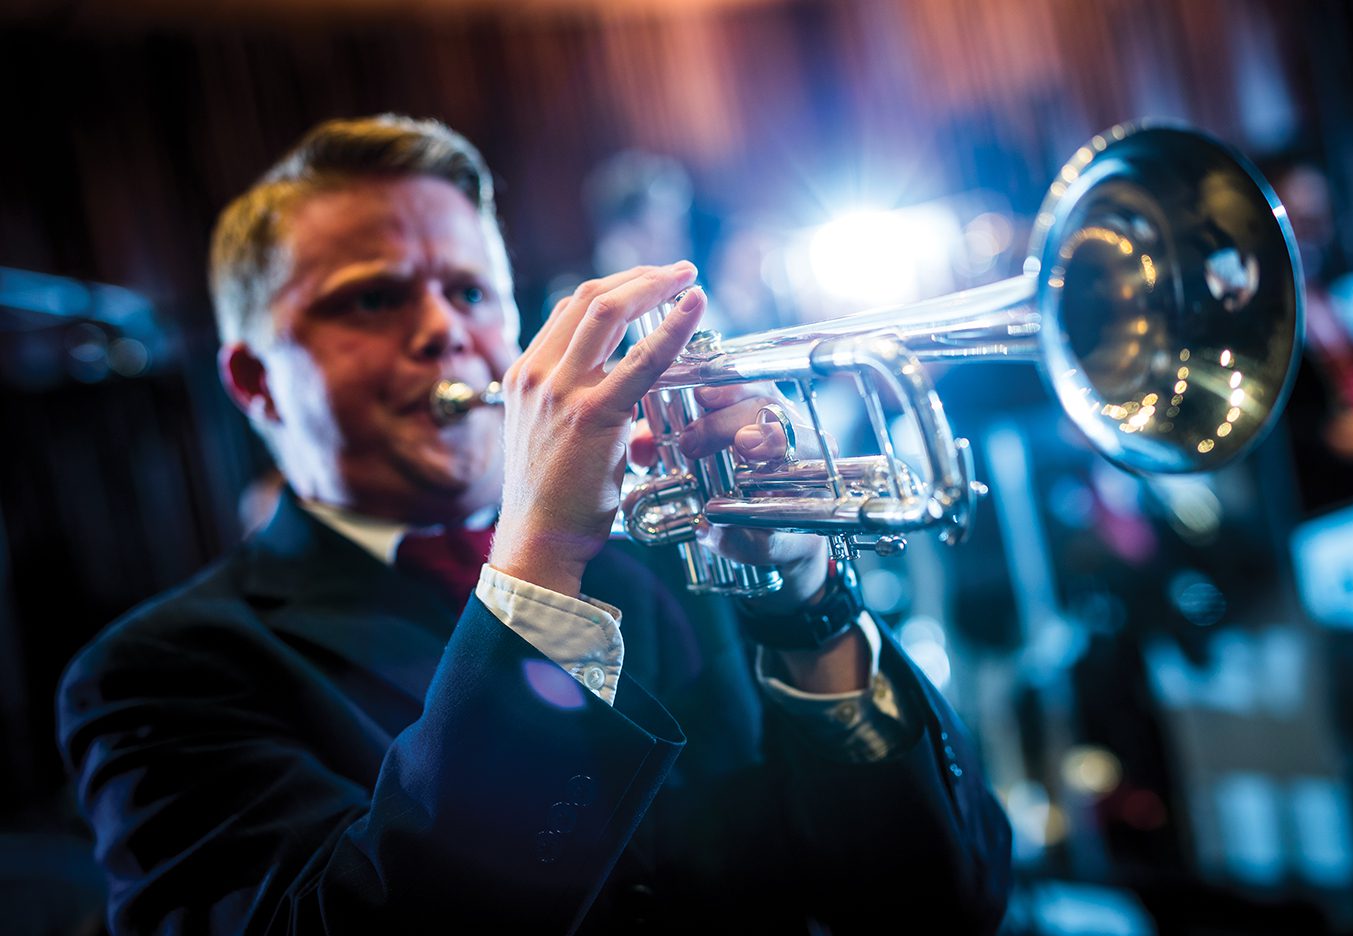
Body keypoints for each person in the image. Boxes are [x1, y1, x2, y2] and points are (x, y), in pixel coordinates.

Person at [56, 114, 1011, 934]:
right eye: (376, 298)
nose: (443, 330)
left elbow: (944, 905)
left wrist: (805, 601)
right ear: (256, 381)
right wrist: (541, 560)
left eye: (470, 290)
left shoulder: (675, 566)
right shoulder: (153, 678)